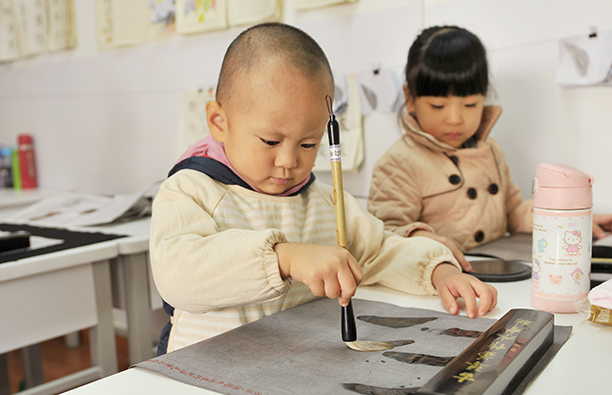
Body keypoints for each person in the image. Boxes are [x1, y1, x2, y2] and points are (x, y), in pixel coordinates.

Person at [149, 22, 497, 354]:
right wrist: (285, 257)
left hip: (296, 374)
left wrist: (438, 271)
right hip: (205, 379)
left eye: (307, 144)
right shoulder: (190, 189)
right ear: (218, 122)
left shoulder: (324, 201)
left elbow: (380, 250)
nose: (288, 161)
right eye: (271, 140)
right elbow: (177, 275)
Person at [367, 26, 612, 272]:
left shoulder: (490, 149)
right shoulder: (398, 162)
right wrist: (420, 237)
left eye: (470, 104)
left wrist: (568, 222)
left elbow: (515, 211)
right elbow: (384, 233)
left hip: (495, 270)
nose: (455, 118)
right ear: (409, 98)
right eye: (438, 106)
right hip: (443, 279)